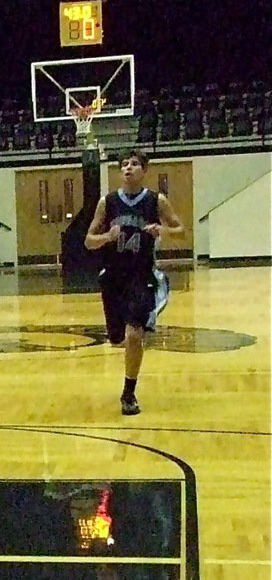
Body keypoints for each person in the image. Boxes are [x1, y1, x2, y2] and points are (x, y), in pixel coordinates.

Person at [84, 149, 182, 416]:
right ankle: (123, 353)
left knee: (134, 336)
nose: (129, 168)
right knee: (117, 338)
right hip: (114, 278)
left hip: (142, 276)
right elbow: (88, 240)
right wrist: (107, 237)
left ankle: (129, 393)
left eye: (135, 164)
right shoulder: (108, 202)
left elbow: (180, 230)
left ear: (144, 170)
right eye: (124, 164)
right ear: (119, 171)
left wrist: (163, 231)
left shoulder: (156, 201)